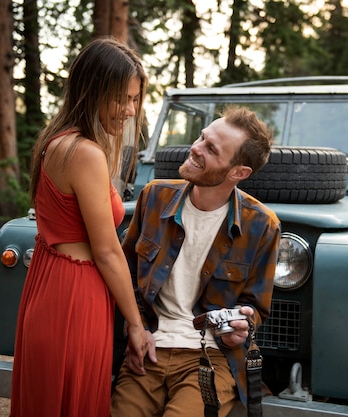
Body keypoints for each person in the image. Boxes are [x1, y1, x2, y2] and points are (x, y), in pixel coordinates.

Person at [110, 106, 281, 417]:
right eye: (202, 137)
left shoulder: (262, 225)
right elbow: (126, 273)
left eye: (211, 149)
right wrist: (136, 329)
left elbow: (256, 307)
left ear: (238, 173)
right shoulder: (154, 197)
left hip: (212, 358)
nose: (195, 148)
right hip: (149, 346)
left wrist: (242, 325)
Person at [9, 37, 148, 417]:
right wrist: (136, 324)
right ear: (93, 90)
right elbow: (106, 250)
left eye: (135, 99)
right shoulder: (85, 153)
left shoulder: (54, 142)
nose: (130, 110)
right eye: (123, 98)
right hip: (75, 295)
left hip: (48, 283)